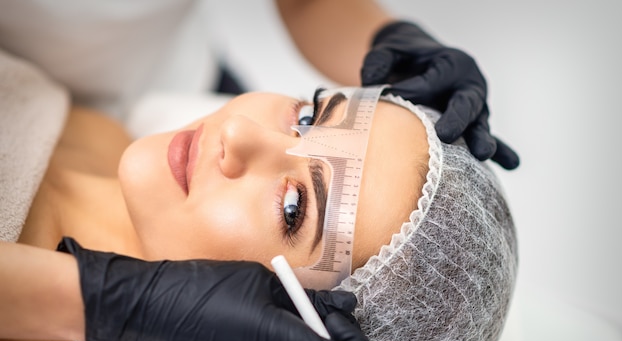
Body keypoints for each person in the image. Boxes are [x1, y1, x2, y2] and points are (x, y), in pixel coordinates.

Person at [0, 48, 517, 341]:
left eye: (293, 208)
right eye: (311, 117)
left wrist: (116, 300)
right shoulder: (100, 133)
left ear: (280, 329)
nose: (240, 133)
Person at [0, 0, 518, 169]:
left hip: (191, 92)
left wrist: (387, 38)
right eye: (293, 211)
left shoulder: (227, 128)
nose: (241, 134)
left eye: (309, 119)